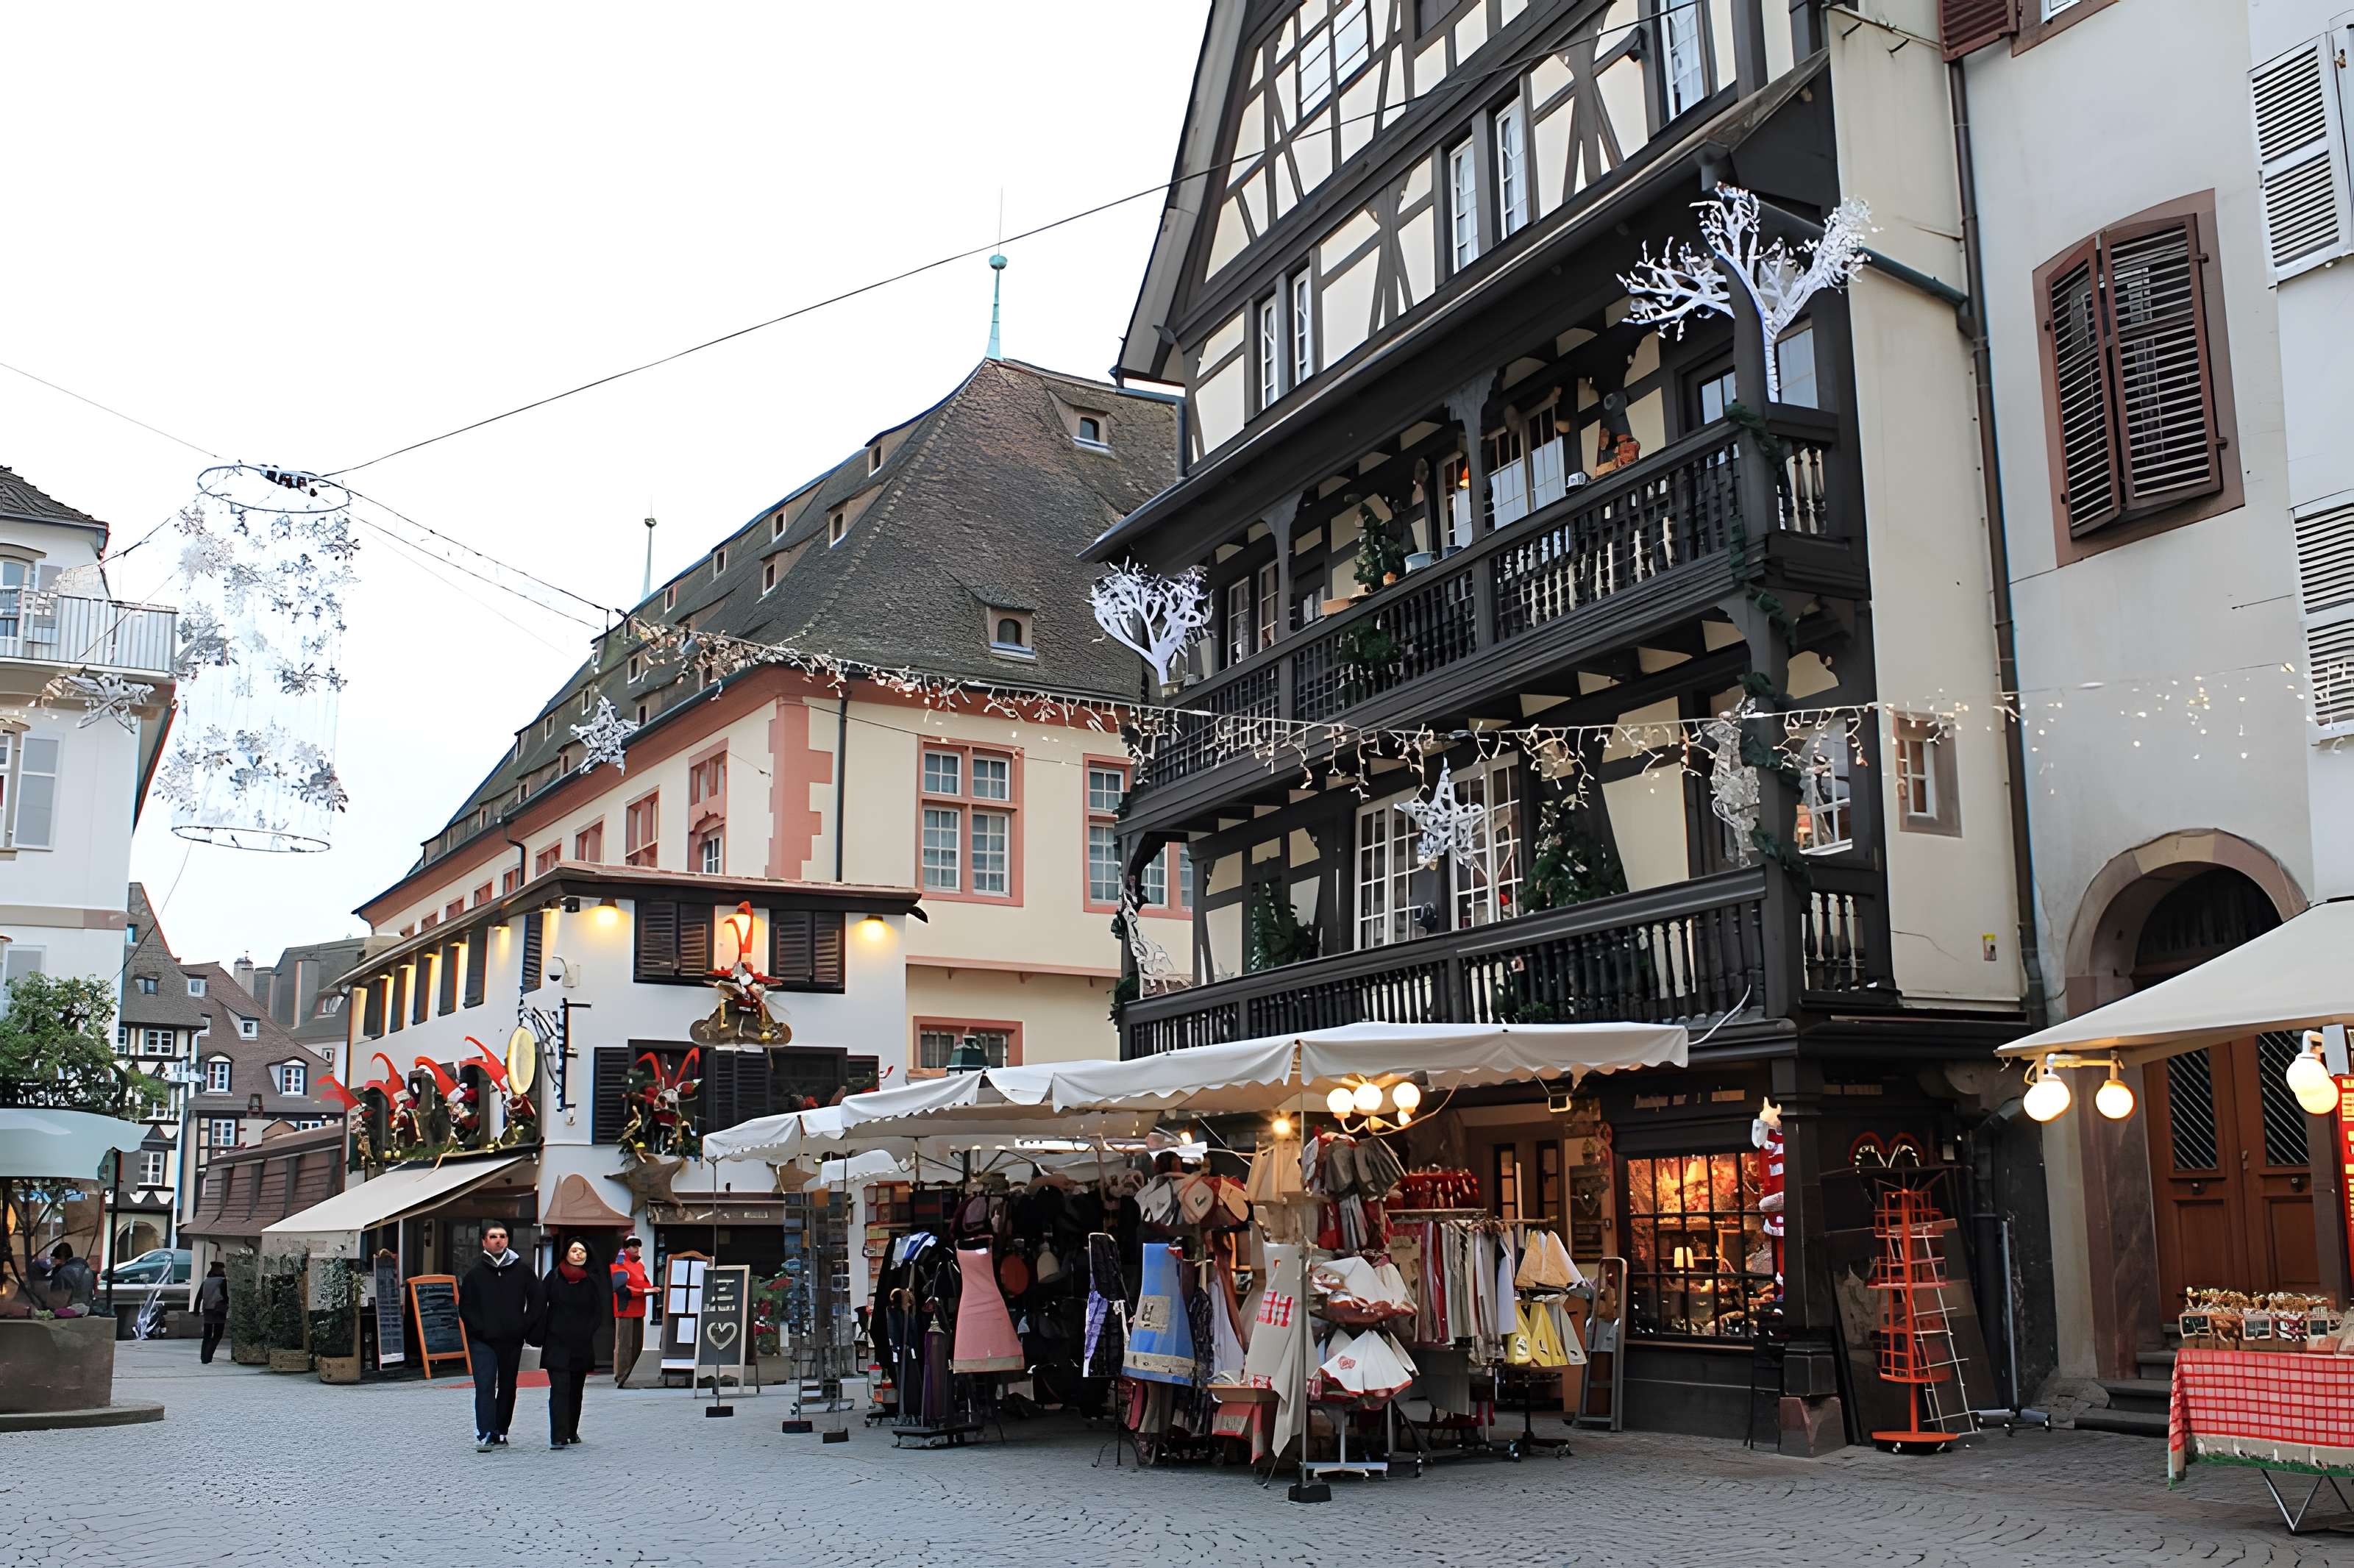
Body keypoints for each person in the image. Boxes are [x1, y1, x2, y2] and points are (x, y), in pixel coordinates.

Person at [457, 1225, 540, 1452]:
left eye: (502, 1236)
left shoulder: (522, 1271)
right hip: (482, 1340)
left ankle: (501, 1431)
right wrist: (479, 1330)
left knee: (507, 1386)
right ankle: (485, 1432)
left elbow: (537, 1299)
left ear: (507, 1241)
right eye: (493, 1237)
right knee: (484, 1385)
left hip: (511, 1339)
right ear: (484, 1242)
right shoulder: (475, 1273)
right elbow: (466, 1307)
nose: (498, 1240)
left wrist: (524, 1325)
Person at [538, 1239, 608, 1448]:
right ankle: (558, 1435)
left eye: (582, 1251)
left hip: (581, 1343)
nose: (578, 1254)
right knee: (559, 1389)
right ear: (566, 1253)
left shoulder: (592, 1281)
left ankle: (571, 1431)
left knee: (576, 1390)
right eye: (574, 1250)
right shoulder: (553, 1277)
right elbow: (540, 1306)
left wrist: (587, 1331)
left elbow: (599, 1312)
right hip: (557, 1342)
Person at [608, 1236, 652, 1388]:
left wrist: (649, 1289)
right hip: (625, 1310)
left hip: (639, 1310)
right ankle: (622, 1376)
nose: (636, 1249)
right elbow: (621, 1288)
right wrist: (644, 1291)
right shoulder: (620, 1264)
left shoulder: (639, 1265)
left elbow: (645, 1283)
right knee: (625, 1346)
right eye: (633, 1246)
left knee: (637, 1346)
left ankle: (629, 1374)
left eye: (638, 1246)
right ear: (626, 1248)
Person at [47, 1244, 95, 1316]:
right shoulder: (85, 1267)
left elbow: (57, 1299)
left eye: (55, 1259)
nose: (55, 1262)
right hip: (86, 1310)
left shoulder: (65, 1272)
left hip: (70, 1312)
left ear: (61, 1258)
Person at [195, 1261, 229, 1364]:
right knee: (218, 1335)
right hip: (219, 1310)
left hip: (207, 1310)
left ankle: (203, 1358)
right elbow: (225, 1296)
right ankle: (208, 1356)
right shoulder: (222, 1281)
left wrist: (196, 1310)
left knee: (207, 1335)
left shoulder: (206, 1281)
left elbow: (199, 1297)